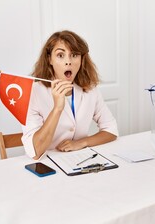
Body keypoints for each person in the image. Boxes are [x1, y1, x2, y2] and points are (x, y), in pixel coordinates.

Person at [22, 30, 118, 159]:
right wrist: (57, 109)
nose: (69, 62)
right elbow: (36, 152)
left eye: (74, 55)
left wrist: (81, 143)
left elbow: (111, 130)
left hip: (80, 161)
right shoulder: (33, 93)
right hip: (47, 165)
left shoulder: (90, 89)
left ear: (81, 59)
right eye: (61, 55)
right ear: (49, 59)